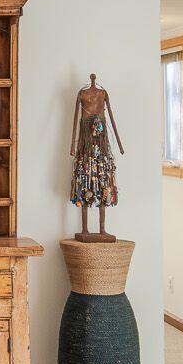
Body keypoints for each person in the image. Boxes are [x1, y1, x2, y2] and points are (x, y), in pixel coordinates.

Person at [69, 74, 124, 241]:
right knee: (85, 182)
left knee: (103, 184)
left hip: (101, 143)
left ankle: (102, 229)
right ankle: (84, 229)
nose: (92, 78)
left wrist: (120, 144)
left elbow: (112, 118)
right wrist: (72, 145)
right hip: (86, 144)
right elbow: (75, 120)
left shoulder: (103, 94)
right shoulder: (82, 94)